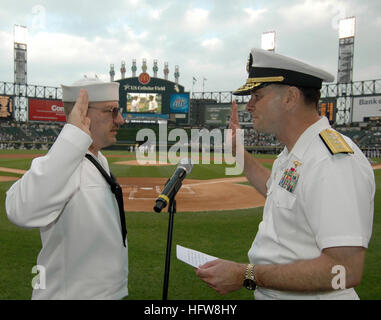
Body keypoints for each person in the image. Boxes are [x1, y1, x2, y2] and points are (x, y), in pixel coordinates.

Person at [196, 48, 375, 299]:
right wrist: (239, 154)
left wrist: (247, 275)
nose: (249, 106)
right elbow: (276, 188)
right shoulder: (296, 151)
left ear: (290, 97)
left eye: (257, 96)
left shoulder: (331, 162)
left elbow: (344, 271)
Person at [5, 77, 128, 299]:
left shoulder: (97, 159)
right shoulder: (66, 162)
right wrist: (73, 135)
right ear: (83, 114)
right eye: (112, 110)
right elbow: (19, 210)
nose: (120, 119)